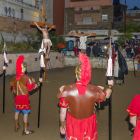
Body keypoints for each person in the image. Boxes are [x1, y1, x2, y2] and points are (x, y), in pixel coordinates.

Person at [57, 53, 114, 140]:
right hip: (88, 124)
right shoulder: (95, 90)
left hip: (73, 123)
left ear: (76, 75)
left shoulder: (66, 90)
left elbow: (62, 112)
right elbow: (107, 95)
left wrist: (62, 125)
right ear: (88, 76)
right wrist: (110, 86)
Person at [10, 55, 43, 135]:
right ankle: (25, 130)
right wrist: (39, 83)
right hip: (24, 98)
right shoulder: (26, 77)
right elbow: (31, 88)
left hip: (17, 97)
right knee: (25, 113)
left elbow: (13, 87)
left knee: (17, 111)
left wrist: (15, 92)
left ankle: (16, 126)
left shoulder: (15, 77)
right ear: (24, 68)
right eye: (25, 68)